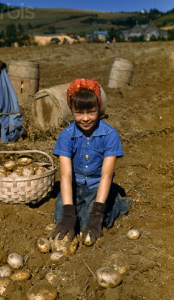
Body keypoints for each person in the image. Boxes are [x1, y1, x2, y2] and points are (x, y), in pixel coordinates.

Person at [51, 78, 132, 245]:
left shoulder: (110, 135)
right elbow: (65, 175)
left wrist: (97, 213)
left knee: (94, 222)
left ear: (99, 109)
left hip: (98, 185)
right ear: (71, 110)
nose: (85, 118)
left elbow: (106, 176)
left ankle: (117, 202)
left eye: (91, 112)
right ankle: (77, 210)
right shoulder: (66, 135)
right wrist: (68, 212)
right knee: (60, 218)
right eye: (79, 113)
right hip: (75, 185)